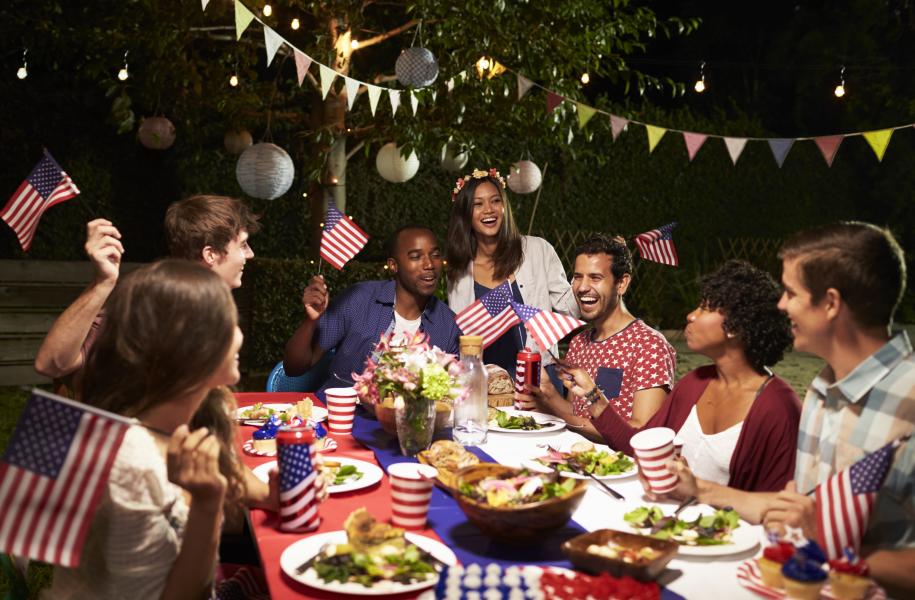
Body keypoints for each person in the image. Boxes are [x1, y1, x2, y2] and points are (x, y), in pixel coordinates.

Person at [658, 223, 914, 596]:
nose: (780, 305)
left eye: (791, 293)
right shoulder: (824, 388)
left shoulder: (908, 399)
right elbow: (799, 511)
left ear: (830, 303)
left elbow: (818, 530)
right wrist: (701, 489)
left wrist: (837, 547)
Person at [48, 260, 247, 598]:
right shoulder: (132, 467)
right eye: (230, 323)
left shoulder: (159, 427)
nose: (240, 334)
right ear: (192, 349)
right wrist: (208, 504)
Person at [566, 260, 800, 491]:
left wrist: (702, 494)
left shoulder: (778, 407)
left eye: (705, 308)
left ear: (737, 325)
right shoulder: (695, 384)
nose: (691, 315)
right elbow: (638, 444)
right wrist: (591, 393)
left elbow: (778, 505)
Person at [33, 195, 259, 388]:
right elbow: (50, 363)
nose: (250, 255)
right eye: (242, 245)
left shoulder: (209, 308)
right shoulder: (151, 304)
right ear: (211, 254)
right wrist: (103, 282)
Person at [516, 234, 676, 437]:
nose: (582, 287)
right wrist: (547, 395)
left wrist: (564, 418)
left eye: (595, 278)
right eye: (577, 277)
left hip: (621, 466)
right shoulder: (579, 343)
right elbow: (576, 414)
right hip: (578, 459)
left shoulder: (649, 346)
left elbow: (642, 431)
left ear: (622, 283)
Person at [284, 225, 461, 392]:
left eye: (435, 255)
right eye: (415, 257)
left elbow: (453, 390)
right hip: (344, 415)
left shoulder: (448, 325)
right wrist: (310, 321)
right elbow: (294, 367)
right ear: (393, 265)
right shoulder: (358, 300)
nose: (429, 264)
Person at [446, 168, 577, 375]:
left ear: (504, 206)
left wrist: (586, 281)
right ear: (465, 213)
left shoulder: (537, 250)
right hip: (488, 382)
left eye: (495, 201)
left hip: (539, 376)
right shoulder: (459, 270)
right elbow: (460, 335)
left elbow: (571, 309)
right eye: (478, 204)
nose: (489, 209)